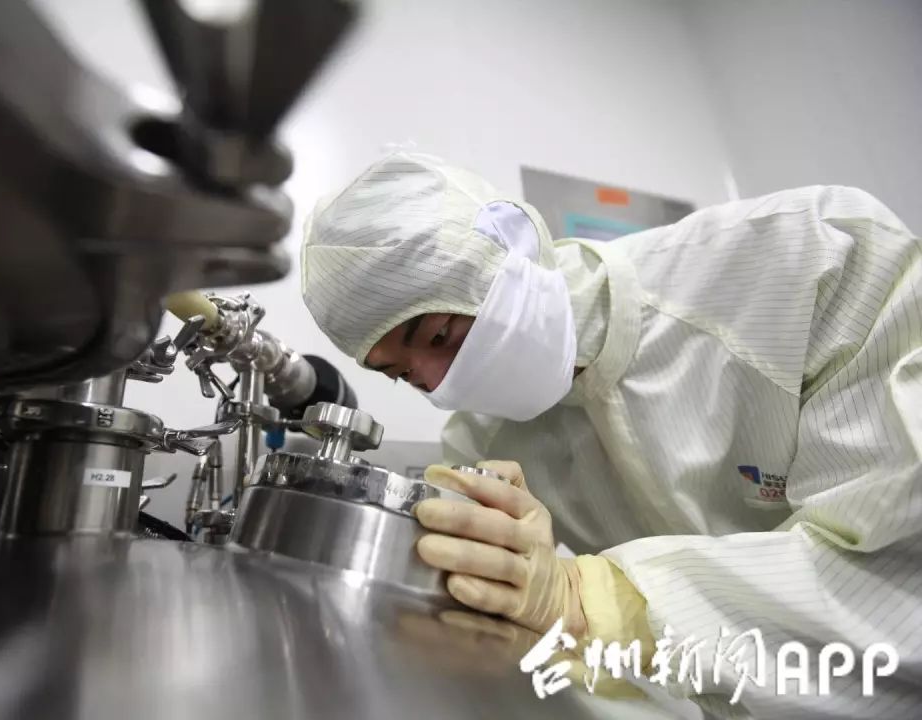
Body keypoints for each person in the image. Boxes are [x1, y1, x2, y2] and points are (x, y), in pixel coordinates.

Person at [299, 152, 922, 717]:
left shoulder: (814, 259)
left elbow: (893, 579)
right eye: (403, 375)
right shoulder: (482, 443)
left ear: (513, 246)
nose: (439, 386)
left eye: (439, 336)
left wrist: (595, 599)